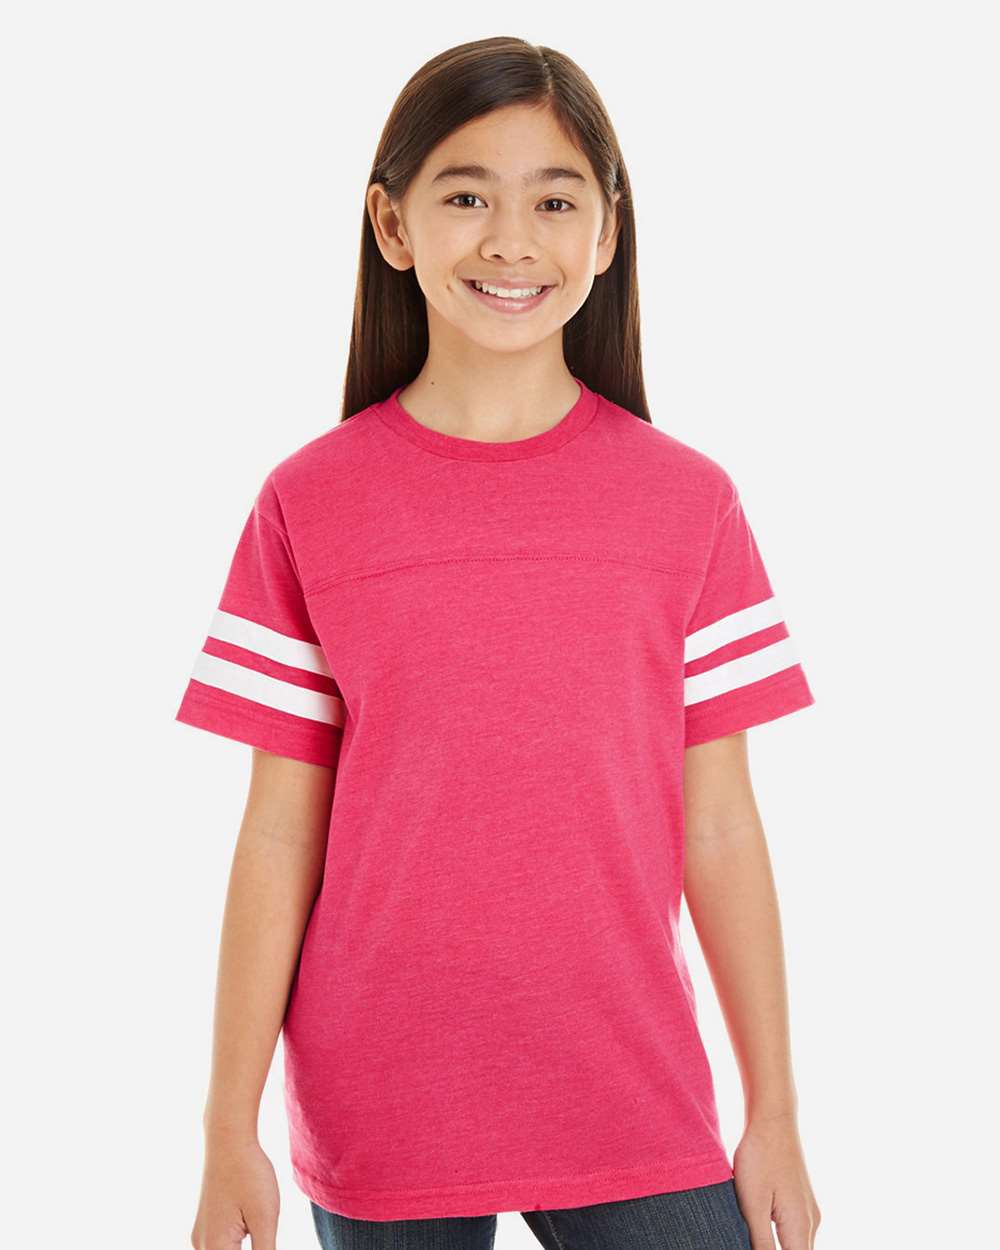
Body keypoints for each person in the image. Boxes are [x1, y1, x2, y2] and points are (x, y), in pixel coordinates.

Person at [177, 35, 822, 1250]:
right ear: (393, 223)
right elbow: (277, 832)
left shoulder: (689, 503)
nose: (511, 240)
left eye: (555, 201)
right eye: (466, 196)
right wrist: (226, 1127)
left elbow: (721, 825)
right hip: (382, 1096)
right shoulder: (308, 502)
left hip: (628, 1081)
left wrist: (774, 1110)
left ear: (608, 231)